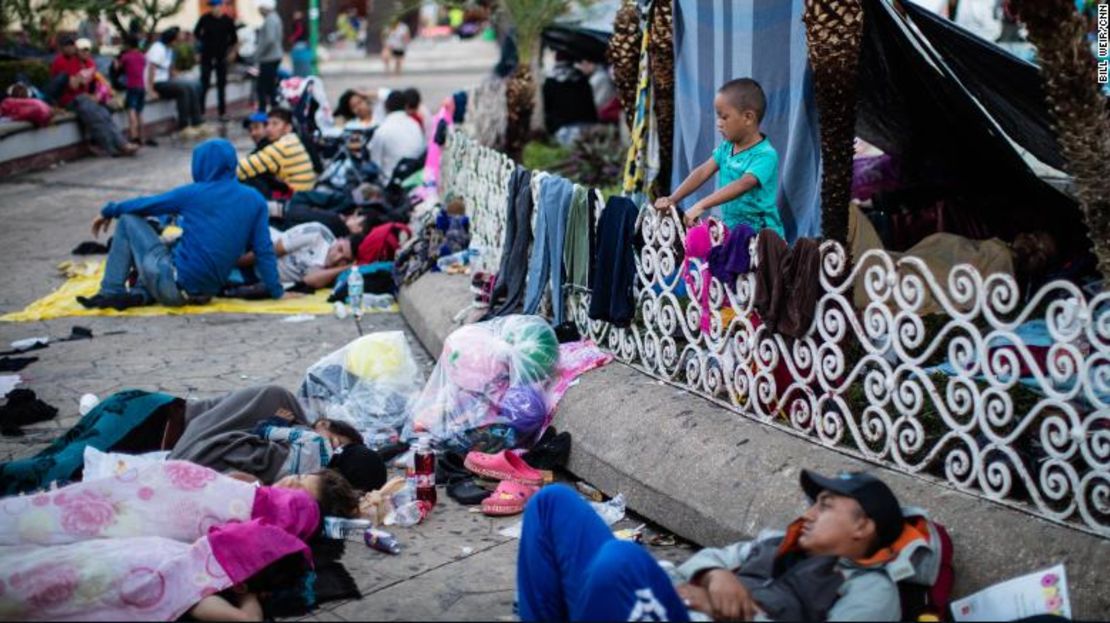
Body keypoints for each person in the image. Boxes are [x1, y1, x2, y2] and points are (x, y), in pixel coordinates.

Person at [518, 470, 930, 622]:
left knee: (621, 560)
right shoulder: (777, 543)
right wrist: (714, 577)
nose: (808, 515)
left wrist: (728, 609)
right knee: (552, 503)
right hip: (673, 606)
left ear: (863, 527)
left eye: (825, 507)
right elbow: (694, 567)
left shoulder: (871, 591)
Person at [78, 139, 283, 310]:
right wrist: (276, 292)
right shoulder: (254, 199)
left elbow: (144, 204)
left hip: (173, 285)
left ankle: (110, 291)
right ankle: (139, 295)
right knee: (171, 244)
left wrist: (108, 210)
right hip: (205, 293)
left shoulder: (193, 194)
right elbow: (264, 250)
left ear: (200, 164)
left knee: (128, 220)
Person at [655, 78, 783, 236]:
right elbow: (702, 172)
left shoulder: (765, 155)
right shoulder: (726, 148)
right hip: (732, 233)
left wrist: (701, 205)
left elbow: (744, 184)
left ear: (748, 117)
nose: (718, 123)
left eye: (724, 117)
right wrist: (673, 199)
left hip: (762, 239)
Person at [48, 34, 138, 158]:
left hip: (85, 98)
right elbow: (73, 86)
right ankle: (114, 147)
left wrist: (96, 95)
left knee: (104, 113)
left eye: (87, 49)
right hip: (70, 99)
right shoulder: (62, 62)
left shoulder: (88, 62)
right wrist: (81, 78)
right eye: (82, 49)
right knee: (96, 115)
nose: (85, 52)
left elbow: (97, 82)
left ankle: (121, 144)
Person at [238, 222, 355, 289]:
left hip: (256, 276)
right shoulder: (317, 233)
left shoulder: (334, 271)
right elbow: (270, 251)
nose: (337, 258)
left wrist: (345, 267)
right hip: (253, 247)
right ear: (339, 239)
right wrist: (236, 263)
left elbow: (310, 280)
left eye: (344, 260)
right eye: (340, 250)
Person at [237, 107, 318, 194]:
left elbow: (242, 169)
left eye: (275, 124)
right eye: (267, 124)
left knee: (249, 178)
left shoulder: (282, 146)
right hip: (303, 193)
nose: (269, 128)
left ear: (288, 128)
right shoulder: (293, 139)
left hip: (293, 198)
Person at [147, 27, 209, 139]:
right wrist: (151, 90)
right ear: (173, 40)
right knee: (183, 88)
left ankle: (197, 122)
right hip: (157, 82)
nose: (181, 39)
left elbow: (170, 70)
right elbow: (152, 68)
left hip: (166, 80)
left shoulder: (169, 49)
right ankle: (183, 126)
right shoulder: (158, 48)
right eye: (179, 37)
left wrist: (182, 76)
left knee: (193, 85)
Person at [194, 0, 239, 121]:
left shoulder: (227, 20)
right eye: (212, 6)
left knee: (221, 85)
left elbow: (234, 39)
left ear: (221, 6)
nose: (214, 9)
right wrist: (199, 50)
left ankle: (222, 112)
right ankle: (201, 112)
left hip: (221, 57)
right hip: (207, 57)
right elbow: (196, 34)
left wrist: (232, 53)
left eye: (216, 6)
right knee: (204, 84)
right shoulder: (205, 19)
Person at [368, 90, 425, 183]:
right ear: (405, 106)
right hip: (415, 179)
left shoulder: (382, 129)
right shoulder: (415, 124)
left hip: (391, 184)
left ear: (386, 107)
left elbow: (374, 163)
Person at [115, 35, 154, 147]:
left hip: (132, 86)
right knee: (140, 112)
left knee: (131, 111)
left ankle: (134, 136)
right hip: (142, 86)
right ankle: (143, 137)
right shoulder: (142, 56)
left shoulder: (126, 57)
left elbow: (118, 68)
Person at [255, 0, 284, 112]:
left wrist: (259, 53)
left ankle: (264, 110)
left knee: (263, 87)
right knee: (271, 86)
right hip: (273, 56)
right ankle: (274, 108)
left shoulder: (270, 19)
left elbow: (270, 39)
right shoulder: (275, 17)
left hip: (269, 58)